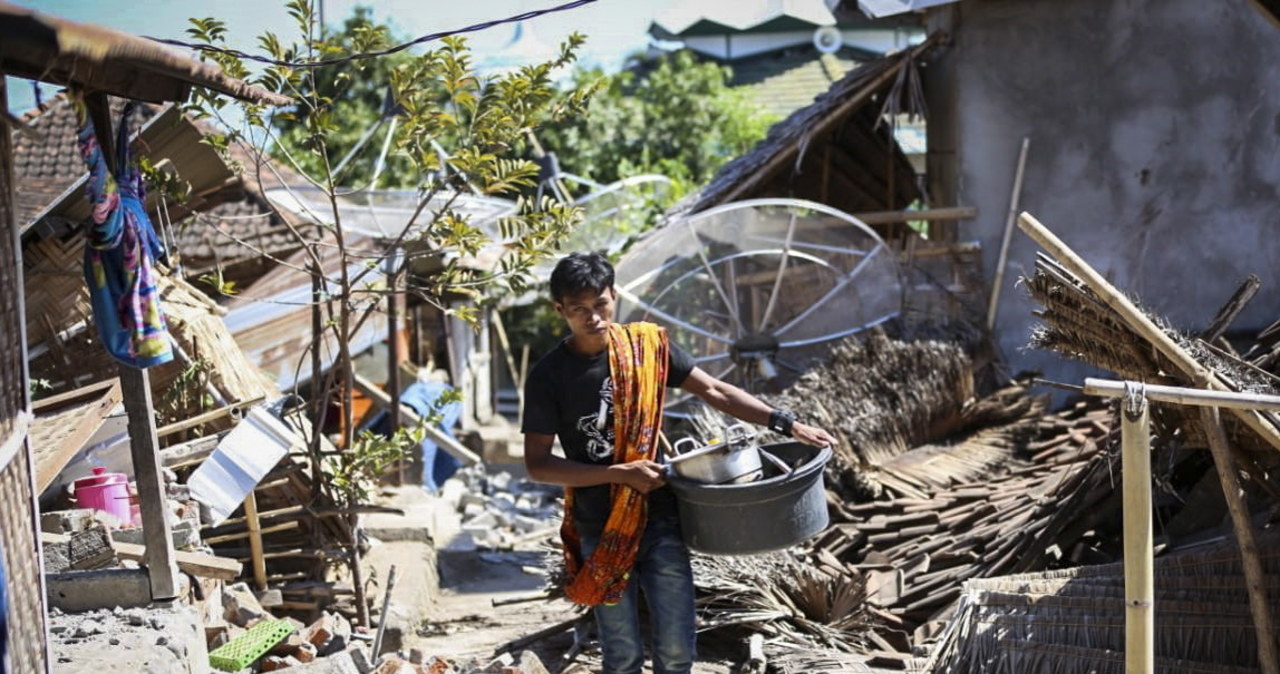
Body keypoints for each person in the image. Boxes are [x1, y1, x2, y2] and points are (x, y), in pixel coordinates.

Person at [521, 252, 836, 674]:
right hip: (599, 525)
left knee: (675, 650)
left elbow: (716, 391)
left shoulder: (647, 348)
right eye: (578, 309)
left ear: (613, 296)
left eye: (600, 304)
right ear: (559, 310)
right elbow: (538, 465)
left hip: (661, 518)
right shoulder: (549, 376)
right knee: (622, 653)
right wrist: (618, 474)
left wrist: (786, 423)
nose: (593, 317)